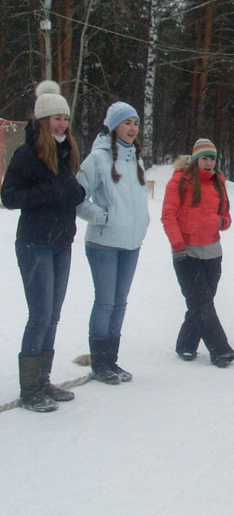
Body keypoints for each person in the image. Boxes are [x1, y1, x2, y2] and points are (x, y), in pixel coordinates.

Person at [0, 80, 85, 412]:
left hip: (62, 241)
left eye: (65, 118)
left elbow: (71, 190)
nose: (62, 124)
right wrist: (47, 193)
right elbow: (9, 197)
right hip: (35, 244)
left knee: (53, 316)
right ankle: (30, 389)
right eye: (56, 118)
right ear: (42, 121)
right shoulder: (27, 153)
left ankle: (43, 380)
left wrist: (74, 191)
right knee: (40, 315)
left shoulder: (68, 151)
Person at [76, 102, 150, 384]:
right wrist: (102, 217)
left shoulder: (137, 159)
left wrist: (142, 222)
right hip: (103, 243)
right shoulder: (97, 158)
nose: (132, 129)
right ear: (113, 126)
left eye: (135, 123)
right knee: (105, 303)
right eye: (126, 122)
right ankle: (99, 362)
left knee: (120, 304)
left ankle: (111, 360)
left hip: (131, 243)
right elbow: (77, 198)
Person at [161, 138, 234, 367]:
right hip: (187, 252)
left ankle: (185, 345)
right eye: (204, 158)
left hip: (213, 251)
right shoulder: (178, 182)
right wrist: (178, 246)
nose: (208, 163)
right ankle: (220, 350)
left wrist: (219, 221)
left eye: (212, 158)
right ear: (195, 159)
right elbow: (168, 216)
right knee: (202, 301)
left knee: (201, 301)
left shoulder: (218, 183)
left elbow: (227, 218)